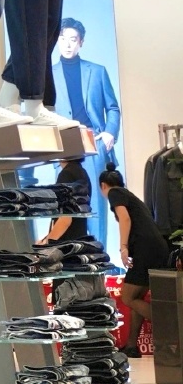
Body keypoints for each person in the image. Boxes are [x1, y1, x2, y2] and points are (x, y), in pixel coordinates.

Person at [53, 19, 121, 249]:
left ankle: (99, 256)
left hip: (93, 143)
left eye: (73, 39)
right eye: (63, 39)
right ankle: (71, 257)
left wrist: (110, 132)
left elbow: (112, 107)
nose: (67, 44)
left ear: (81, 42)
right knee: (66, 205)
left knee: (96, 207)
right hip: (64, 145)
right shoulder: (48, 75)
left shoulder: (97, 71)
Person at [99, 168, 171, 356]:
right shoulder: (129, 195)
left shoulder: (115, 193)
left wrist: (123, 247)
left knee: (128, 297)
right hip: (156, 249)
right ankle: (131, 346)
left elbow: (125, 219)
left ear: (103, 186)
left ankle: (172, 327)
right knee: (136, 298)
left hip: (145, 250)